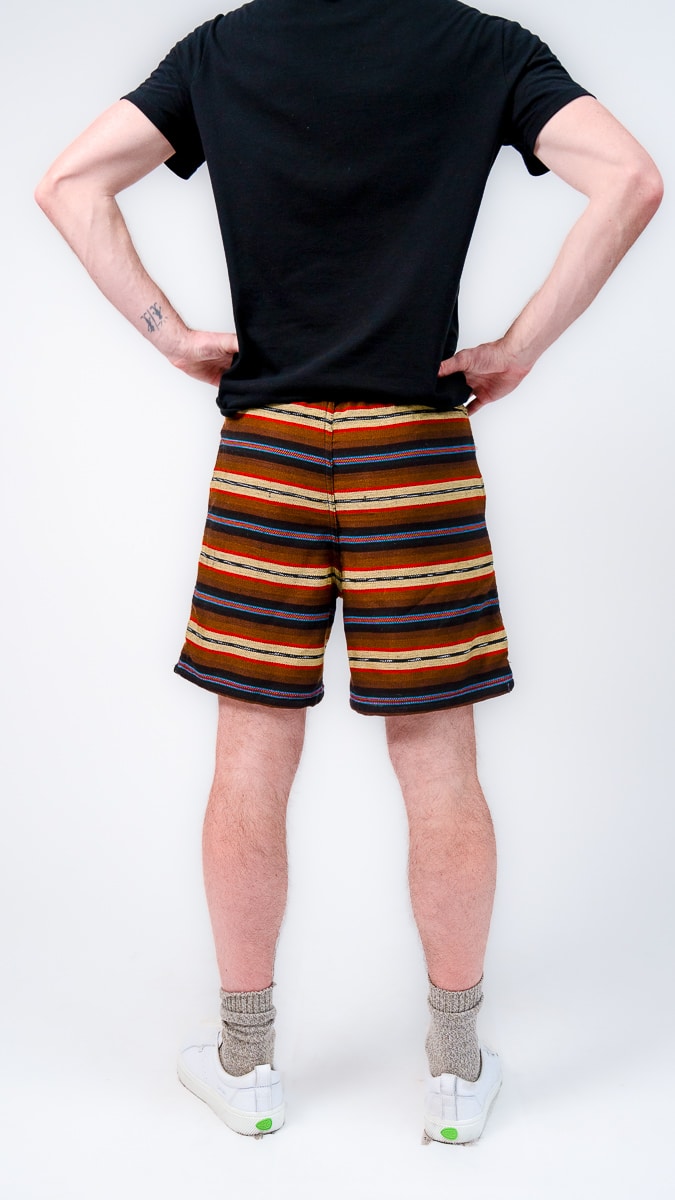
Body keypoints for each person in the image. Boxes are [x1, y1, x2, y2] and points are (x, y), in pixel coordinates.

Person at [35, 0, 662, 1145]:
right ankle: (455, 1077)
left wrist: (170, 335)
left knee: (250, 755)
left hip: (268, 450)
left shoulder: (226, 48)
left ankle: (246, 1066)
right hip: (415, 452)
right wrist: (518, 348)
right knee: (440, 763)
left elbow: (68, 182)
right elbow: (631, 177)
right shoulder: (484, 49)